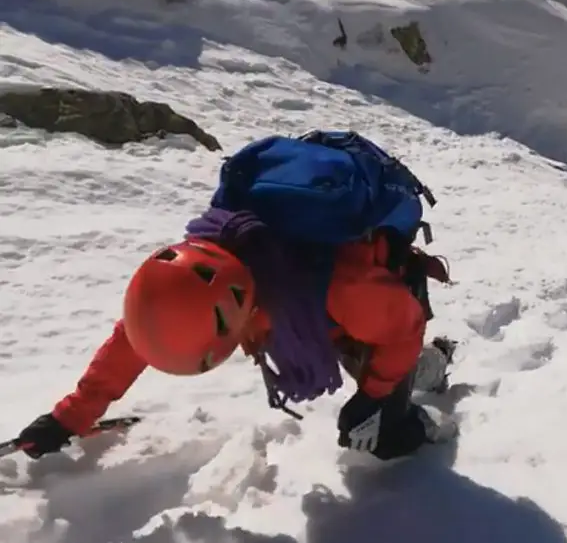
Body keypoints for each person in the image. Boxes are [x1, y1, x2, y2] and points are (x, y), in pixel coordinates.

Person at [15, 130, 459, 462]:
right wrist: (67, 418)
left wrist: (376, 398)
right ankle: (406, 378)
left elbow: (402, 324)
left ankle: (426, 403)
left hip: (387, 287)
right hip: (328, 302)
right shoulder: (193, 277)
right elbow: (139, 338)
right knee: (368, 368)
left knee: (381, 433)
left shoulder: (340, 290)